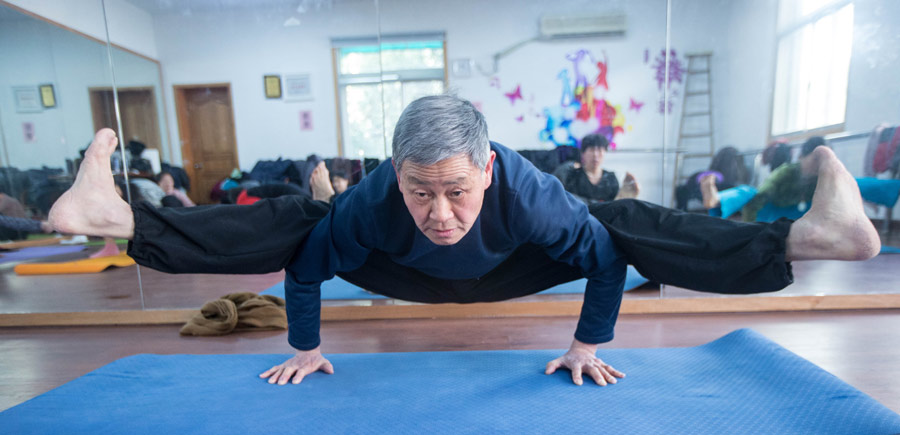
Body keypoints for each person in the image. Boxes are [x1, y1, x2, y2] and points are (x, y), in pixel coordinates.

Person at [48, 95, 880, 387]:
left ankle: (811, 236)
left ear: (488, 172)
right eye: (421, 191)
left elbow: (601, 265)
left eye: (456, 190)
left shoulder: (534, 197)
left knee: (622, 225)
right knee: (299, 223)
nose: (440, 208)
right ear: (394, 175)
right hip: (401, 272)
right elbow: (304, 268)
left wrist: (588, 343)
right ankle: (120, 217)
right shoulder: (376, 205)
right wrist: (304, 346)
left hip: (515, 269)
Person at [702, 137, 827, 222]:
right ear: (802, 157)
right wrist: (750, 225)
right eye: (815, 159)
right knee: (748, 192)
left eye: (821, 161)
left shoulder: (823, 178)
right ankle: (716, 199)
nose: (816, 165)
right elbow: (763, 193)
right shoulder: (787, 171)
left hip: (798, 218)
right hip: (771, 211)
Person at [554, 133, 639, 204]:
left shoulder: (610, 178)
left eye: (600, 150)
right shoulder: (573, 175)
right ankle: (616, 201)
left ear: (605, 153)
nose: (595, 155)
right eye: (591, 150)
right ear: (583, 153)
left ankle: (618, 201)